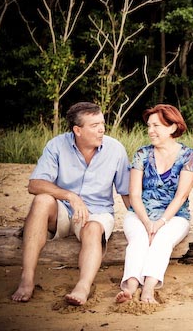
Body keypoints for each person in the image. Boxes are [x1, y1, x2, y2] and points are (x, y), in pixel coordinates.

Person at [11, 102, 130, 305]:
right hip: (63, 211)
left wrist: (142, 222)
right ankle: (27, 279)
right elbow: (34, 184)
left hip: (97, 213)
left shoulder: (116, 149)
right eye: (94, 125)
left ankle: (83, 286)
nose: (102, 129)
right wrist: (70, 196)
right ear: (77, 130)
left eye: (102, 123)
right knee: (41, 200)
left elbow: (126, 193)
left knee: (93, 229)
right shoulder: (57, 145)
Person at [116, 104, 193, 304]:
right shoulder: (142, 154)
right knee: (139, 240)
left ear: (172, 127)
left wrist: (160, 223)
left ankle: (149, 290)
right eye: (149, 126)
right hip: (140, 213)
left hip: (175, 216)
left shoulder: (189, 156)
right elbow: (134, 194)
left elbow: (180, 197)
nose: (150, 131)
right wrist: (146, 222)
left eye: (156, 126)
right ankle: (131, 286)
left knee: (162, 241)